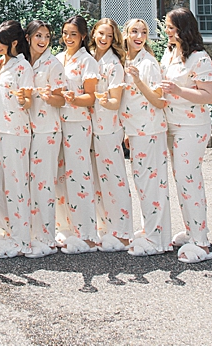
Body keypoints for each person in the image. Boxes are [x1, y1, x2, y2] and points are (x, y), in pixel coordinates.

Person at [160, 8, 212, 263]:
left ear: (184, 29)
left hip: (192, 127)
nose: (167, 32)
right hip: (171, 124)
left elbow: (208, 95)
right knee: (180, 179)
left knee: (189, 178)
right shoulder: (170, 53)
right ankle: (192, 230)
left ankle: (202, 243)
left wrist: (178, 90)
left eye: (171, 28)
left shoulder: (200, 58)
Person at [120, 18, 172, 256]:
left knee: (153, 184)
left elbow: (159, 101)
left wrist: (138, 80)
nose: (139, 36)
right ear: (126, 34)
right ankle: (150, 230)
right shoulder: (127, 60)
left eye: (143, 32)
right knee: (142, 182)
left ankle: (157, 240)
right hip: (136, 131)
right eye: (134, 31)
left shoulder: (148, 64)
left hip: (150, 130)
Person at [0, 19, 34, 259]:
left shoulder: (23, 67)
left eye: (1, 43)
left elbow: (27, 101)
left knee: (16, 186)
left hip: (16, 132)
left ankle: (21, 238)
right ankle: (4, 230)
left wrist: (22, 99)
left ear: (14, 42)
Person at [55, 14, 100, 253]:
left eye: (74, 34)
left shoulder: (87, 61)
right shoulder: (58, 58)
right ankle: (65, 228)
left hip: (78, 123)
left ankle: (86, 233)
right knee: (61, 176)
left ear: (83, 36)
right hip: (57, 122)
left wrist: (74, 98)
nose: (68, 38)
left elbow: (90, 97)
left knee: (79, 176)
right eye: (65, 33)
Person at [90, 17, 133, 251]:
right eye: (101, 34)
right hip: (89, 127)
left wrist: (105, 100)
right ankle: (105, 228)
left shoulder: (114, 64)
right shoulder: (88, 58)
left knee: (114, 178)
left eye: (109, 35)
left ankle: (123, 231)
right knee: (96, 180)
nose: (104, 39)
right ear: (94, 33)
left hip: (108, 127)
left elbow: (116, 102)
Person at [24, 20, 65, 258]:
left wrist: (50, 97)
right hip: (24, 129)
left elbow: (61, 100)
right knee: (27, 184)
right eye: (38, 36)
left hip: (47, 129)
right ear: (28, 37)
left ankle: (46, 237)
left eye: (47, 36)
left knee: (44, 183)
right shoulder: (21, 62)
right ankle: (28, 233)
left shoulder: (53, 64)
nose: (43, 40)